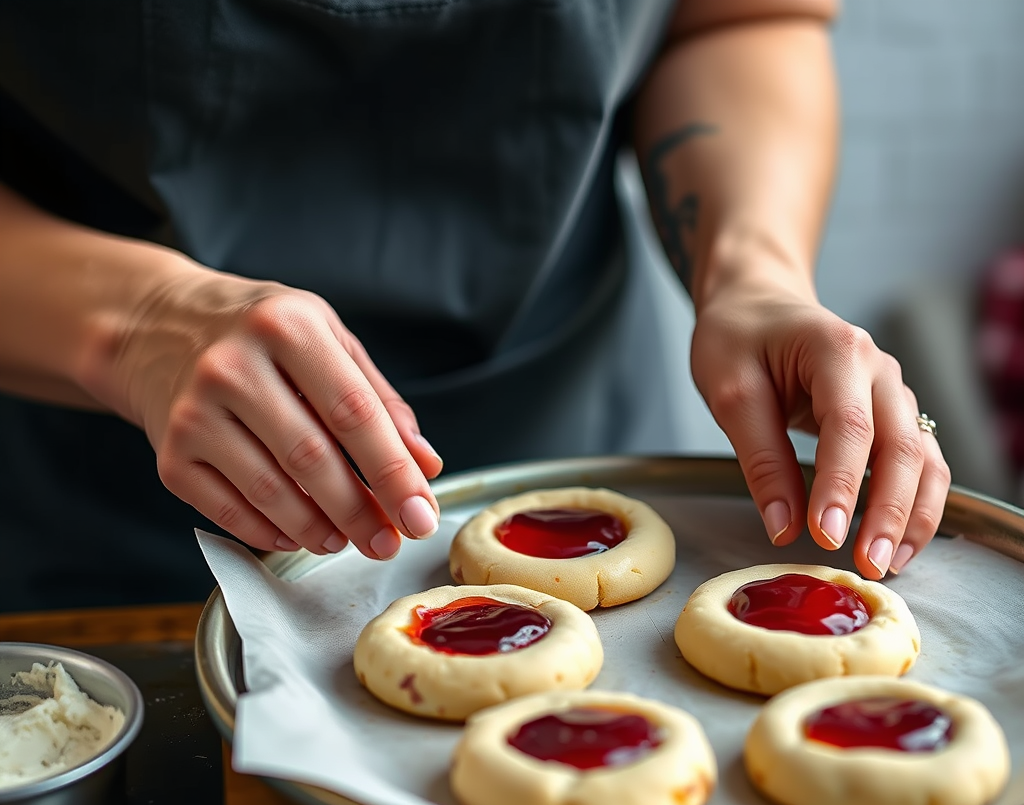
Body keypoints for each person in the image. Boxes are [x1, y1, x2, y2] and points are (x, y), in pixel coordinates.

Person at [0, 0, 949, 613]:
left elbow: (735, 18)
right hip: (110, 538)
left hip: (584, 427)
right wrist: (137, 325)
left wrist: (755, 271)